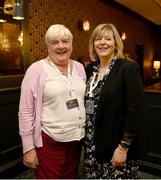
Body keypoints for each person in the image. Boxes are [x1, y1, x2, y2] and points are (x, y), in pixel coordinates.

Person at [18, 24, 86, 179]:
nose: (61, 46)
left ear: (71, 44)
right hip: (49, 142)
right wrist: (28, 148)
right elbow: (25, 111)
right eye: (55, 42)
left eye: (65, 41)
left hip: (75, 140)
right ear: (48, 46)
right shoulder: (36, 70)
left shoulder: (79, 68)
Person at [84, 23, 144, 179]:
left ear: (116, 43)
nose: (102, 42)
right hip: (92, 143)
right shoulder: (90, 69)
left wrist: (123, 147)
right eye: (98, 39)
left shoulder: (127, 68)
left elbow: (134, 110)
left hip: (115, 145)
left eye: (108, 39)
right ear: (93, 44)